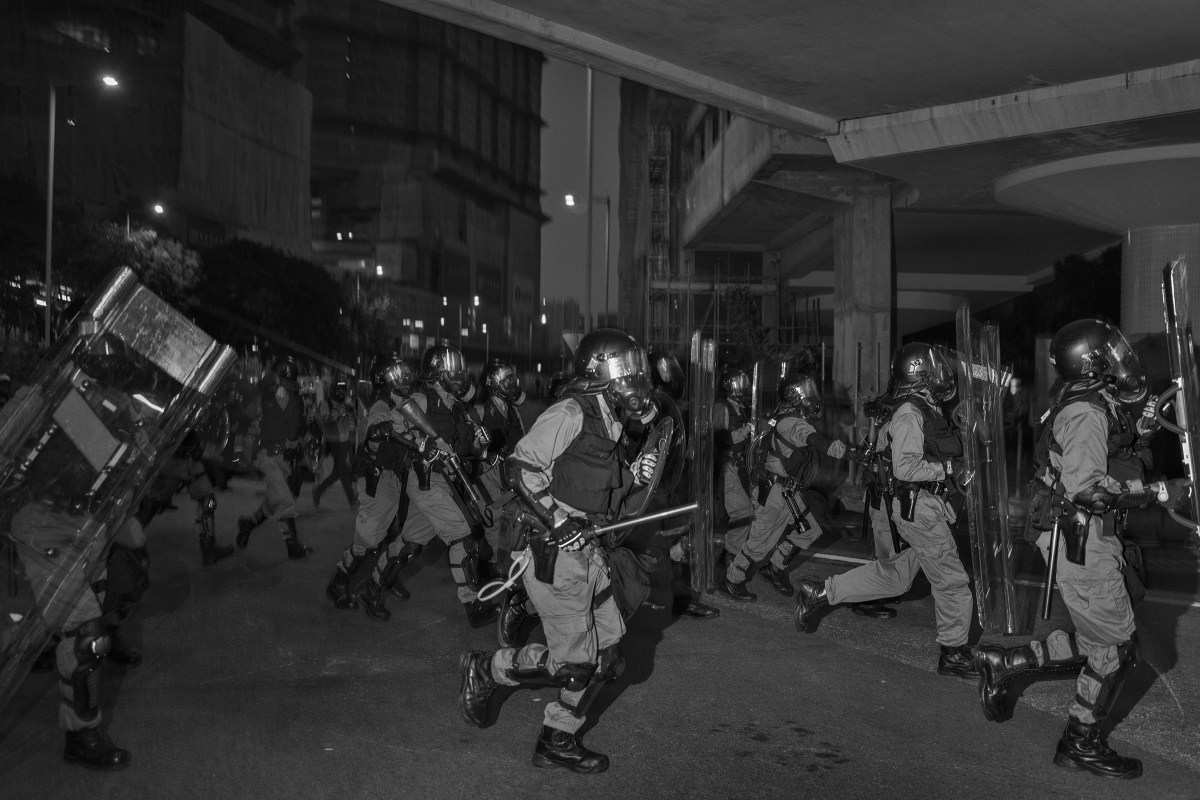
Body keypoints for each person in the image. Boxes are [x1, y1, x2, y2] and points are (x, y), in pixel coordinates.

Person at [972, 319, 1187, 779]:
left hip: (1083, 536)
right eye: (1112, 353)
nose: (1123, 358)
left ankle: (1006, 662)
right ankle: (1079, 743)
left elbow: (1111, 455)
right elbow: (1088, 488)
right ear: (1094, 365)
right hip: (1082, 538)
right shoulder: (1087, 412)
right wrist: (1158, 493)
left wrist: (1144, 432)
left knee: (1097, 641)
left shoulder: (1088, 398)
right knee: (1116, 648)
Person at [458, 327, 661, 774]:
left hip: (590, 551)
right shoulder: (570, 411)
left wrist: (638, 473)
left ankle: (557, 737)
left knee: (608, 658)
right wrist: (556, 519)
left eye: (636, 366)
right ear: (600, 369)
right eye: (624, 366)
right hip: (553, 550)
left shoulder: (611, 421)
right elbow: (518, 470)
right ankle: (488, 669)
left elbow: (598, 489)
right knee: (575, 666)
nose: (635, 375)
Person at [794, 343, 977, 679]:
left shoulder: (926, 409)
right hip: (921, 509)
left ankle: (821, 593)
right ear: (920, 375)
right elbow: (906, 468)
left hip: (926, 509)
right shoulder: (910, 412)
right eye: (934, 370)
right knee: (952, 582)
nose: (942, 375)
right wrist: (949, 469)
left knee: (896, 576)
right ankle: (953, 653)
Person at [387, 344, 496, 627]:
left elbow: (465, 448)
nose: (460, 374)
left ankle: (376, 585)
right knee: (461, 536)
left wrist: (479, 445)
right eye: (453, 370)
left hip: (448, 478)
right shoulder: (423, 399)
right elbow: (394, 425)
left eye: (460, 369)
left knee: (411, 541)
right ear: (437, 373)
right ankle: (473, 605)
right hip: (426, 478)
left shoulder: (457, 407)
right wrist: (423, 445)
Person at [719, 373, 853, 602]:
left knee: (810, 529)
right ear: (795, 396)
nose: (812, 397)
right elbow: (812, 440)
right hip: (773, 492)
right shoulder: (790, 422)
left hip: (789, 491)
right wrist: (843, 451)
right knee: (758, 544)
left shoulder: (791, 418)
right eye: (807, 393)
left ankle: (774, 568)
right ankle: (732, 579)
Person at [325, 355, 418, 619]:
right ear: (383, 379)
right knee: (367, 541)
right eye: (396, 374)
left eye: (404, 373)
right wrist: (384, 432)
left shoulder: (405, 402)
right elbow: (377, 429)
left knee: (397, 534)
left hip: (397, 479)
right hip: (378, 479)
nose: (403, 378)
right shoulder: (382, 404)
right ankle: (338, 583)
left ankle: (384, 578)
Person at [236, 356, 312, 559]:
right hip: (268, 456)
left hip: (287, 460)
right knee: (284, 501)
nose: (286, 385)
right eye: (283, 380)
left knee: (274, 502)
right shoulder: (265, 397)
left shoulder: (295, 399)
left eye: (288, 381)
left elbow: (298, 428)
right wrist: (240, 449)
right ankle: (292, 546)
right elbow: (245, 419)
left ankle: (248, 524)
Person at [715, 366, 754, 568]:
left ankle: (734, 551)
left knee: (750, 509)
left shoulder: (739, 407)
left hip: (740, 467)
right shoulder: (721, 408)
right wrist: (747, 430)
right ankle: (729, 555)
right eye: (741, 384)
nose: (745, 388)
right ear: (730, 386)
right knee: (742, 512)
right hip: (726, 466)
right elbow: (724, 440)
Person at [313, 377, 358, 507]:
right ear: (333, 390)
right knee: (342, 469)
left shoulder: (347, 402)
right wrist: (338, 412)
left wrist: (350, 410)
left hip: (345, 441)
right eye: (338, 390)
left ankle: (319, 490)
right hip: (333, 440)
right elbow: (327, 420)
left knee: (339, 471)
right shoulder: (326, 403)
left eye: (343, 390)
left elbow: (353, 418)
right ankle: (351, 498)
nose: (341, 393)